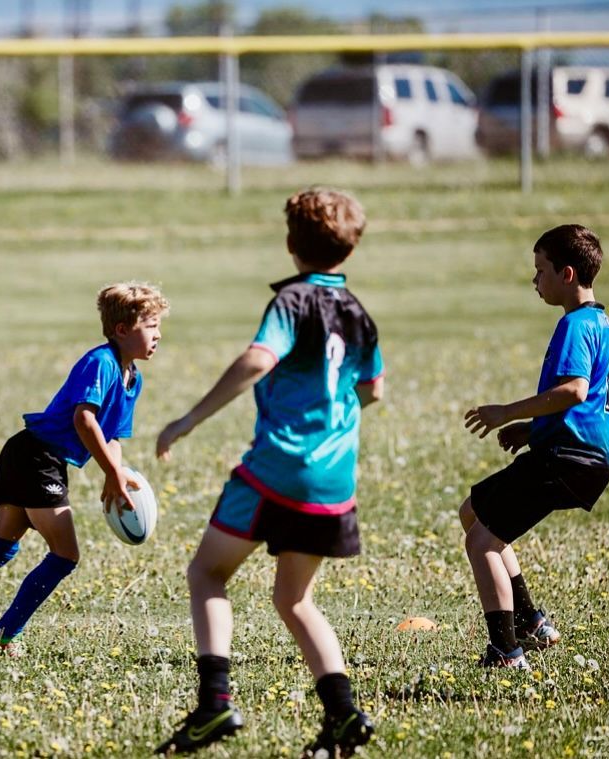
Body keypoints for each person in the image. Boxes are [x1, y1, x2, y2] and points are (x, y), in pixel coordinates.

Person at [154, 188, 383, 757]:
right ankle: (344, 715)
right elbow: (373, 389)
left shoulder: (293, 303)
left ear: (290, 245)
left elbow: (260, 358)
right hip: (333, 483)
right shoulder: (358, 314)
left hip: (276, 469)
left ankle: (213, 706)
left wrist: (188, 419)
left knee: (207, 574)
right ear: (349, 250)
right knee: (294, 599)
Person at [0, 283, 168, 656]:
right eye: (151, 325)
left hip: (32, 455)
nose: (158, 334)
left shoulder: (133, 379)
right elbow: (85, 420)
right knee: (65, 555)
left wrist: (118, 471)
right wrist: (110, 473)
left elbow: (111, 435)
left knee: (1, 548)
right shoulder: (101, 363)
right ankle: (3, 634)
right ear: (122, 330)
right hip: (36, 457)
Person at [459, 224, 609, 669]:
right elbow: (587, 406)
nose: (535, 281)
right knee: (473, 512)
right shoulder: (601, 321)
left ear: (566, 274)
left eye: (540, 271)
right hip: (578, 453)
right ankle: (530, 622)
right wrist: (533, 431)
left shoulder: (575, 325)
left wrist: (506, 413)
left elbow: (575, 390)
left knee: (481, 542)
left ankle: (506, 652)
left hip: (568, 458)